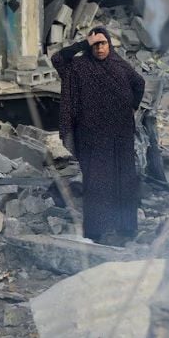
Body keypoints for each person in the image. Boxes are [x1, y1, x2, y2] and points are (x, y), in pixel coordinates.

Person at [51, 26, 146, 242]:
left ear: (110, 44)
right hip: (92, 136)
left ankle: (125, 229)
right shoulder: (80, 67)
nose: (100, 48)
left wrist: (132, 106)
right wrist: (83, 44)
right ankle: (96, 231)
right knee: (96, 182)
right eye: (95, 45)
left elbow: (139, 83)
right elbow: (57, 59)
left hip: (120, 135)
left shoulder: (118, 64)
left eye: (103, 43)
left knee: (123, 180)